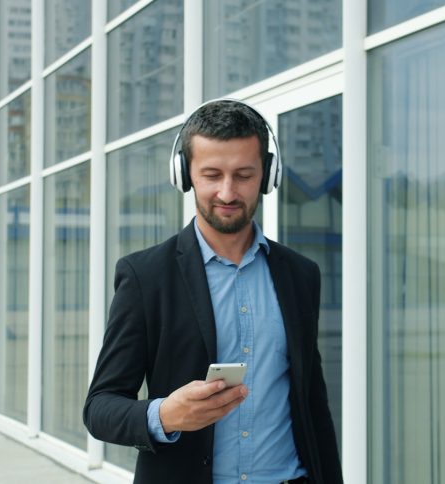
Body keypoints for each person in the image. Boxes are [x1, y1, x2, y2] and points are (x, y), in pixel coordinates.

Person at [83, 99, 343, 484]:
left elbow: (312, 405)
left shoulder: (301, 275)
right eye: (211, 175)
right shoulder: (145, 276)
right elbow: (100, 408)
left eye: (243, 175)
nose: (227, 192)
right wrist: (165, 415)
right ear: (185, 176)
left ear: (268, 176)